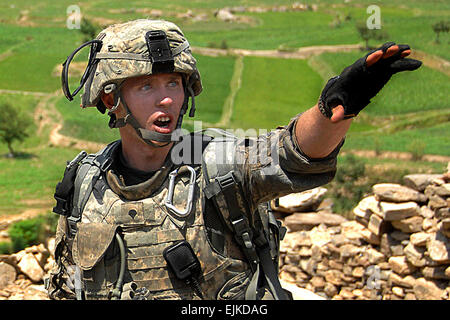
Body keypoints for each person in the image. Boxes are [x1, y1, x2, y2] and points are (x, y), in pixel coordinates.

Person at [46, 19, 421, 300]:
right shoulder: (84, 182)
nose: (166, 100)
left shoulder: (216, 163)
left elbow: (293, 153)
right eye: (147, 86)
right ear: (111, 99)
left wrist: (335, 109)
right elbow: (67, 284)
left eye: (173, 84)